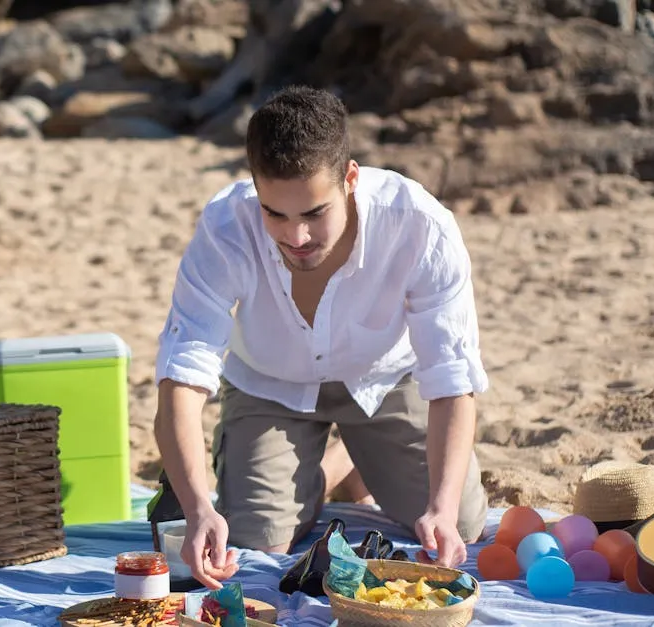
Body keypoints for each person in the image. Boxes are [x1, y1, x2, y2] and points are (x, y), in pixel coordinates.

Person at [152, 85, 490, 590]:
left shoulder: (421, 225)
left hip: (385, 383)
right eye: (275, 214)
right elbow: (181, 377)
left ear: (350, 179)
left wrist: (440, 507)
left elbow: (451, 379)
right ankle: (329, 466)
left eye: (314, 213)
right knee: (254, 537)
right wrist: (199, 508)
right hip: (270, 384)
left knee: (459, 524)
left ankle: (353, 452)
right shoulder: (225, 228)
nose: (296, 237)